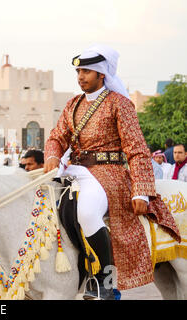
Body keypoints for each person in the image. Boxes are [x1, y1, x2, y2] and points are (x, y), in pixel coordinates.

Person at [43, 44, 180, 300]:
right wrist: (52, 156)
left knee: (86, 211)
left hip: (109, 173)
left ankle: (103, 281)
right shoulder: (73, 104)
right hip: (74, 169)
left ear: (101, 74)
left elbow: (137, 150)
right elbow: (56, 137)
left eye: (86, 71)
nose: (80, 76)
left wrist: (141, 190)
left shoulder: (120, 104)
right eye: (78, 72)